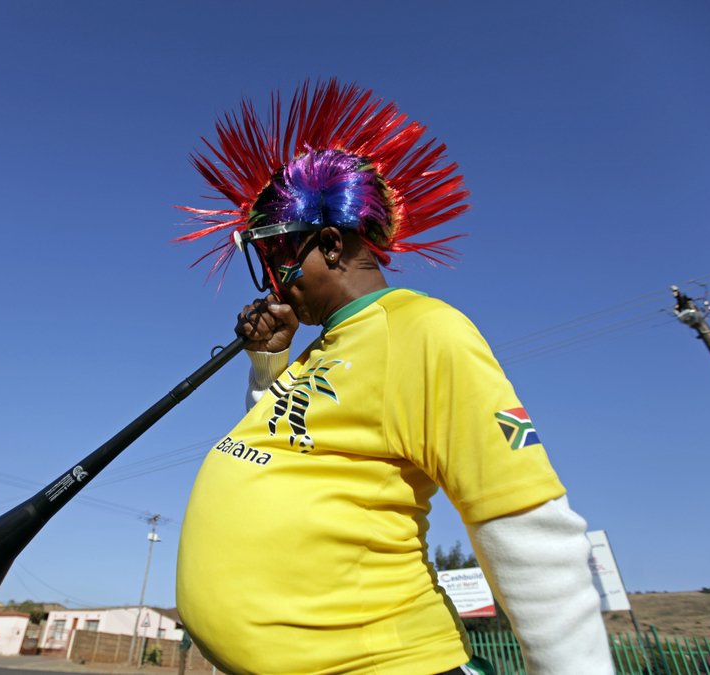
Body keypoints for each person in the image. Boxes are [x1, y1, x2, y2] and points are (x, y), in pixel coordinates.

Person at [175, 80, 614, 675]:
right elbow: (282, 444)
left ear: (330, 244)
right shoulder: (326, 348)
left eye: (277, 258)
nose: (273, 283)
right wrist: (270, 363)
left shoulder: (424, 330)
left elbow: (524, 520)